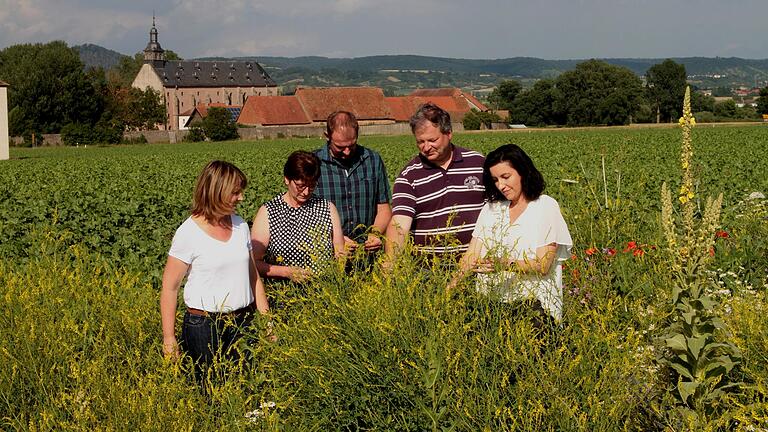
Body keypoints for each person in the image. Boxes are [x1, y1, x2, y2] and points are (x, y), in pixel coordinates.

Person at [160, 160, 271, 369]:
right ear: (217, 192)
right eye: (235, 192)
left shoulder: (240, 226)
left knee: (245, 385)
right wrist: (169, 338)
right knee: (211, 392)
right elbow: (170, 287)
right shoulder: (188, 232)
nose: (241, 197)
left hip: (242, 322)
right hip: (204, 327)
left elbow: (253, 277)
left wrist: (267, 322)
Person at [453, 144, 572, 323]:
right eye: (495, 180)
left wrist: (504, 264)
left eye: (506, 177)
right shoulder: (491, 209)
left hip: (535, 308)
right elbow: (471, 255)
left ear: (523, 172)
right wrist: (448, 291)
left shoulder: (545, 206)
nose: (501, 185)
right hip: (491, 306)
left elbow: (544, 264)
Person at [385, 102, 485, 258]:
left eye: (432, 140)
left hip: (478, 264)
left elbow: (498, 211)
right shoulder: (408, 176)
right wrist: (391, 264)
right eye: (420, 142)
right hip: (429, 271)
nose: (426, 147)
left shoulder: (478, 163)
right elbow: (399, 225)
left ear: (449, 133)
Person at [251, 150, 345, 282]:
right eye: (300, 186)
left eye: (312, 186)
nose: (306, 192)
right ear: (287, 179)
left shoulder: (327, 208)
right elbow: (253, 261)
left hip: (325, 291)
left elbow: (340, 253)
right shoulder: (269, 211)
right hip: (285, 294)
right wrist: (285, 272)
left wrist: (337, 283)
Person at [314, 111, 391, 253]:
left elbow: (384, 208)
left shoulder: (372, 160)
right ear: (327, 136)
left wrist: (375, 234)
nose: (347, 152)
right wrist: (335, 239)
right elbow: (303, 214)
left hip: (366, 254)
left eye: (352, 145)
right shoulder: (313, 164)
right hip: (327, 254)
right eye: (340, 147)